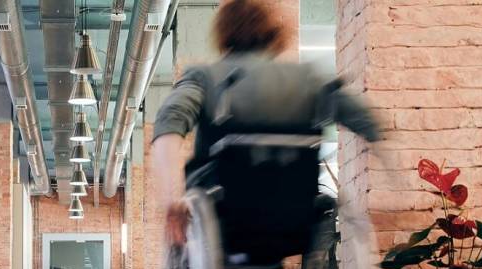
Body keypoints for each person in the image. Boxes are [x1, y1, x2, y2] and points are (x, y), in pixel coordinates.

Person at [152, 0, 380, 247]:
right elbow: (365, 121)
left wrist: (171, 200)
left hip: (225, 207)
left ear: (223, 32)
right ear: (271, 32)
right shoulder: (308, 78)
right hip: (295, 208)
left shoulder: (205, 77)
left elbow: (169, 125)